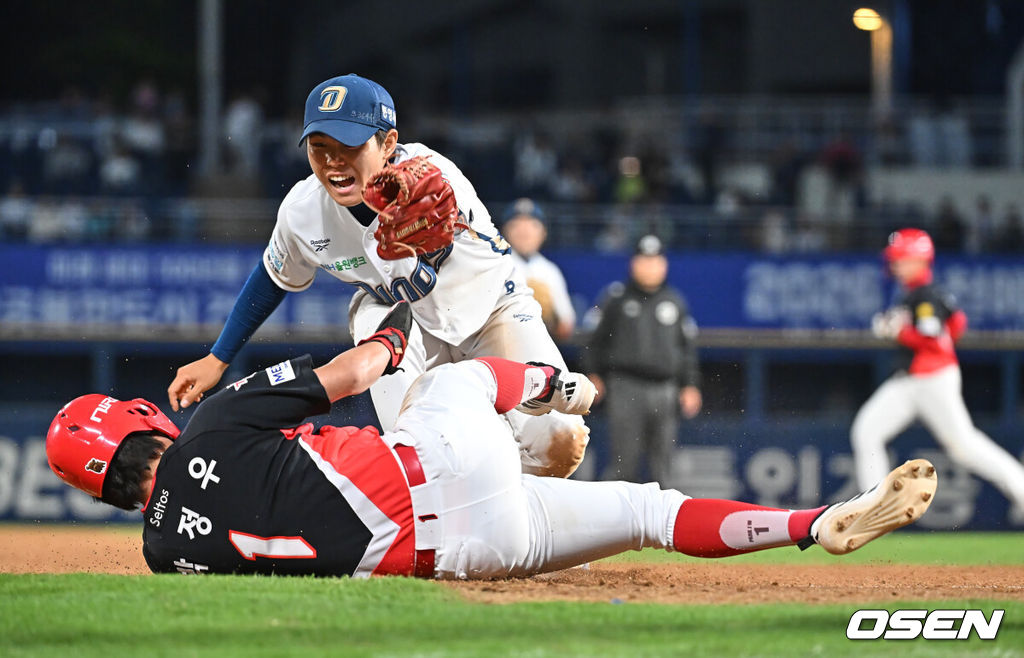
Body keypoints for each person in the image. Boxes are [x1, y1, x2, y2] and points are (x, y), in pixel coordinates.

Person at [48, 303, 937, 579]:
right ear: (140, 424)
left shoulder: (164, 554)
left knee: (637, 513)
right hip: (437, 472)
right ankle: (569, 388)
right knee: (461, 380)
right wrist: (402, 319)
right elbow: (358, 373)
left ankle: (820, 523)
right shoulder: (212, 420)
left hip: (468, 555)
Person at [166, 74, 587, 478]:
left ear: (388, 142)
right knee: (423, 450)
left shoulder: (436, 180)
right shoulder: (303, 211)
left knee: (563, 439)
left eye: (348, 145)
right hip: (398, 320)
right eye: (319, 146)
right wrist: (218, 356)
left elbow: (430, 240)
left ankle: (520, 510)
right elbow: (272, 276)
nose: (332, 160)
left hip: (492, 311)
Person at [852, 228, 1024, 518]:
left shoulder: (926, 295)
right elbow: (958, 323)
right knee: (866, 430)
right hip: (909, 381)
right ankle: (874, 512)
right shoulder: (921, 294)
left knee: (965, 447)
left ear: (919, 261)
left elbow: (933, 339)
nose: (894, 265)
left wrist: (899, 331)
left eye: (900, 258)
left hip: (933, 380)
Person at [584, 235, 702, 485]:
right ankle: (618, 522)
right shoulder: (616, 299)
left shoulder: (675, 301)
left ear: (664, 265)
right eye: (644, 260)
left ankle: (663, 524)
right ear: (633, 264)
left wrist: (690, 385)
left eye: (655, 261)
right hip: (626, 386)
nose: (649, 267)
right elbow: (595, 340)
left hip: (665, 388)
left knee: (664, 466)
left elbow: (687, 349)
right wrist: (594, 374)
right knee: (623, 463)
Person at [502, 198, 576, 342]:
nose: (524, 231)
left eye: (532, 225)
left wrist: (549, 317)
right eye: (516, 225)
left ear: (543, 233)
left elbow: (567, 327)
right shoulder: (494, 264)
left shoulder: (550, 271)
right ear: (504, 231)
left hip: (539, 350)